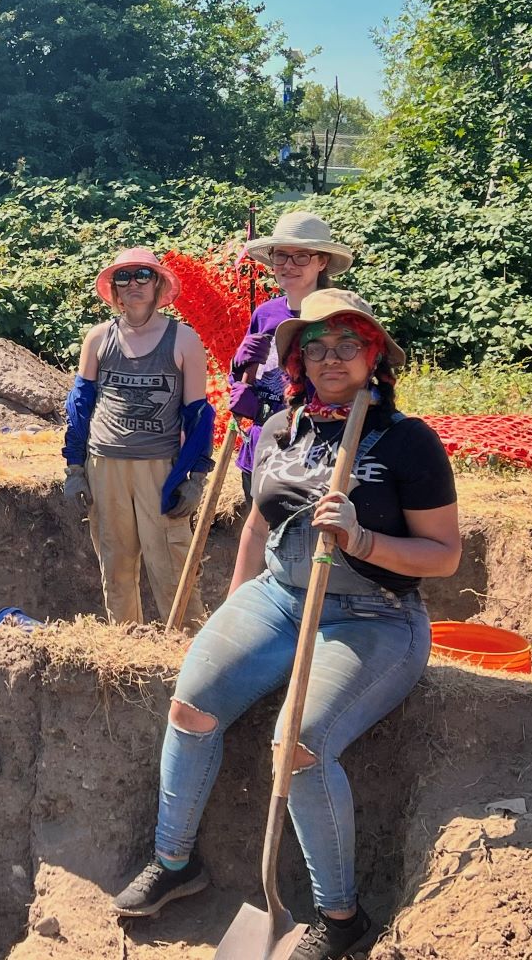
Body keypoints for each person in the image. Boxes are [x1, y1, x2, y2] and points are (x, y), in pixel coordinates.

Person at [111, 290, 459, 960]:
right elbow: (261, 522)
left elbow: (444, 556)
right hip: (279, 597)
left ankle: (340, 914)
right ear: (297, 360)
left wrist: (362, 541)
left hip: (374, 617)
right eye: (315, 347)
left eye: (347, 344)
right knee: (190, 706)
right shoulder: (280, 428)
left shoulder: (405, 441)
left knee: (297, 747)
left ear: (373, 354)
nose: (331, 358)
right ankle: (176, 862)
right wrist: (238, 611)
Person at [61, 248, 214, 627]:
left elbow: (198, 414)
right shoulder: (99, 338)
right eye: (124, 277)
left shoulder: (184, 340)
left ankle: (186, 648)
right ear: (113, 289)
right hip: (105, 464)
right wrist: (74, 467)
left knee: (171, 564)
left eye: (142, 275)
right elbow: (80, 405)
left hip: (159, 468)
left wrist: (195, 477)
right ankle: (125, 643)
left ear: (159, 283)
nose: (133, 284)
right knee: (116, 565)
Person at [230, 212, 354, 501]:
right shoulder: (265, 313)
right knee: (259, 538)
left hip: (315, 450)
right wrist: (238, 374)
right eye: (281, 255)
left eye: (301, 256)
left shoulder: (339, 315)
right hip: (262, 447)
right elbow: (253, 371)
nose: (288, 265)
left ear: (322, 262)